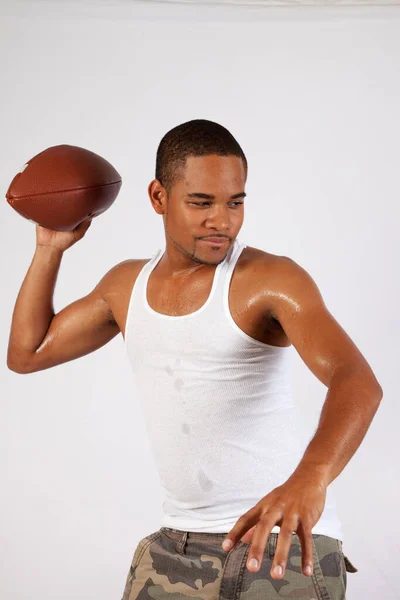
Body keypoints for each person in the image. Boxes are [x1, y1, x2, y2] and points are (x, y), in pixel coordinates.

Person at [7, 119, 382, 600]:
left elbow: (357, 381)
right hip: (174, 545)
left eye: (235, 202)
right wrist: (48, 249)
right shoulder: (125, 287)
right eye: (201, 202)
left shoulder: (269, 279)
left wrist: (311, 479)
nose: (221, 221)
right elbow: (27, 354)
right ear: (158, 197)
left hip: (279, 541)